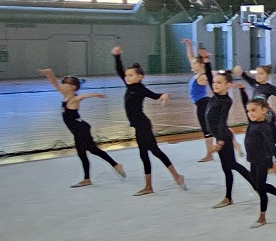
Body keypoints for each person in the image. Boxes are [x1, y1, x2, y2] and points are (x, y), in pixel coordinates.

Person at [112, 46, 185, 195]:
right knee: (145, 154)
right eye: (127, 75)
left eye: (130, 75)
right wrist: (117, 56)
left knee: (154, 152)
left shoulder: (140, 89)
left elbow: (155, 95)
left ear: (139, 77)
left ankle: (173, 177)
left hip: (143, 125)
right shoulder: (129, 86)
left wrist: (164, 95)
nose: (127, 77)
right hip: (139, 125)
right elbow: (120, 71)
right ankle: (152, 185)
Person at [39, 68, 124, 187]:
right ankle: (112, 166)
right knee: (90, 151)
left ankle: (92, 176)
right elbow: (55, 84)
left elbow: (82, 97)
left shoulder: (74, 99)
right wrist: (49, 73)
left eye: (64, 84)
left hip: (81, 129)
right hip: (79, 129)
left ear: (72, 87)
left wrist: (93, 94)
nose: (61, 86)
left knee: (86, 152)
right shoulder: (66, 95)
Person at [237, 88, 276, 227]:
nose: (250, 113)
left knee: (260, 188)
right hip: (253, 159)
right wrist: (242, 90)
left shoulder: (264, 127)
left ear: (264, 110)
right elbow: (245, 103)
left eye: (254, 110)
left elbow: (271, 144)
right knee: (257, 186)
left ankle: (262, 217)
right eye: (248, 111)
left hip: (263, 160)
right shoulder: (252, 122)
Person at [203, 66, 254, 210]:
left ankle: (230, 197)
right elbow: (209, 76)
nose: (215, 85)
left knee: (230, 166)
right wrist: (206, 61)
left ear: (228, 85)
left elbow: (221, 122)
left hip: (223, 137)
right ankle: (250, 185)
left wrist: (220, 142)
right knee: (230, 166)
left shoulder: (226, 101)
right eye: (214, 83)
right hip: (220, 136)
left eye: (219, 83)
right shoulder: (216, 95)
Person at [183, 39, 216, 163]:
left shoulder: (203, 77)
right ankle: (211, 153)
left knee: (207, 129)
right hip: (201, 103)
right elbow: (191, 57)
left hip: (204, 104)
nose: (192, 64)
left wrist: (207, 59)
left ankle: (209, 154)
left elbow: (212, 76)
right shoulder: (198, 74)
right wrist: (189, 45)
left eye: (194, 63)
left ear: (201, 65)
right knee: (210, 128)